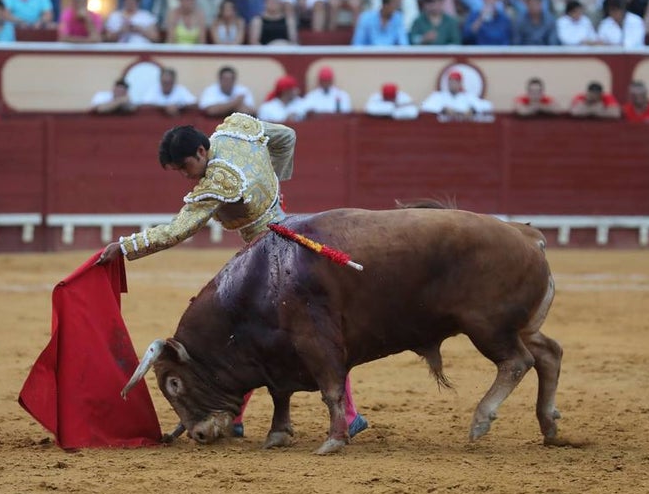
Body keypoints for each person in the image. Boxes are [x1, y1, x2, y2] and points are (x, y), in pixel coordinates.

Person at [95, 114, 369, 439]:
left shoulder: (217, 183)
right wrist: (274, 183)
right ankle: (237, 416)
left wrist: (126, 246)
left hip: (269, 257)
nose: (186, 176)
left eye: (185, 167)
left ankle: (349, 414)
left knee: (307, 330)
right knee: (248, 331)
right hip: (284, 234)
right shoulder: (237, 129)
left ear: (201, 151)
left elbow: (176, 231)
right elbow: (286, 137)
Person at [421, 70, 493, 122]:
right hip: (443, 129)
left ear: (460, 83)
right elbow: (425, 107)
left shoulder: (468, 97)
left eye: (456, 81)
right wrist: (444, 110)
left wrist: (472, 110)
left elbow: (487, 106)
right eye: (451, 81)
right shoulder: (439, 96)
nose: (453, 84)